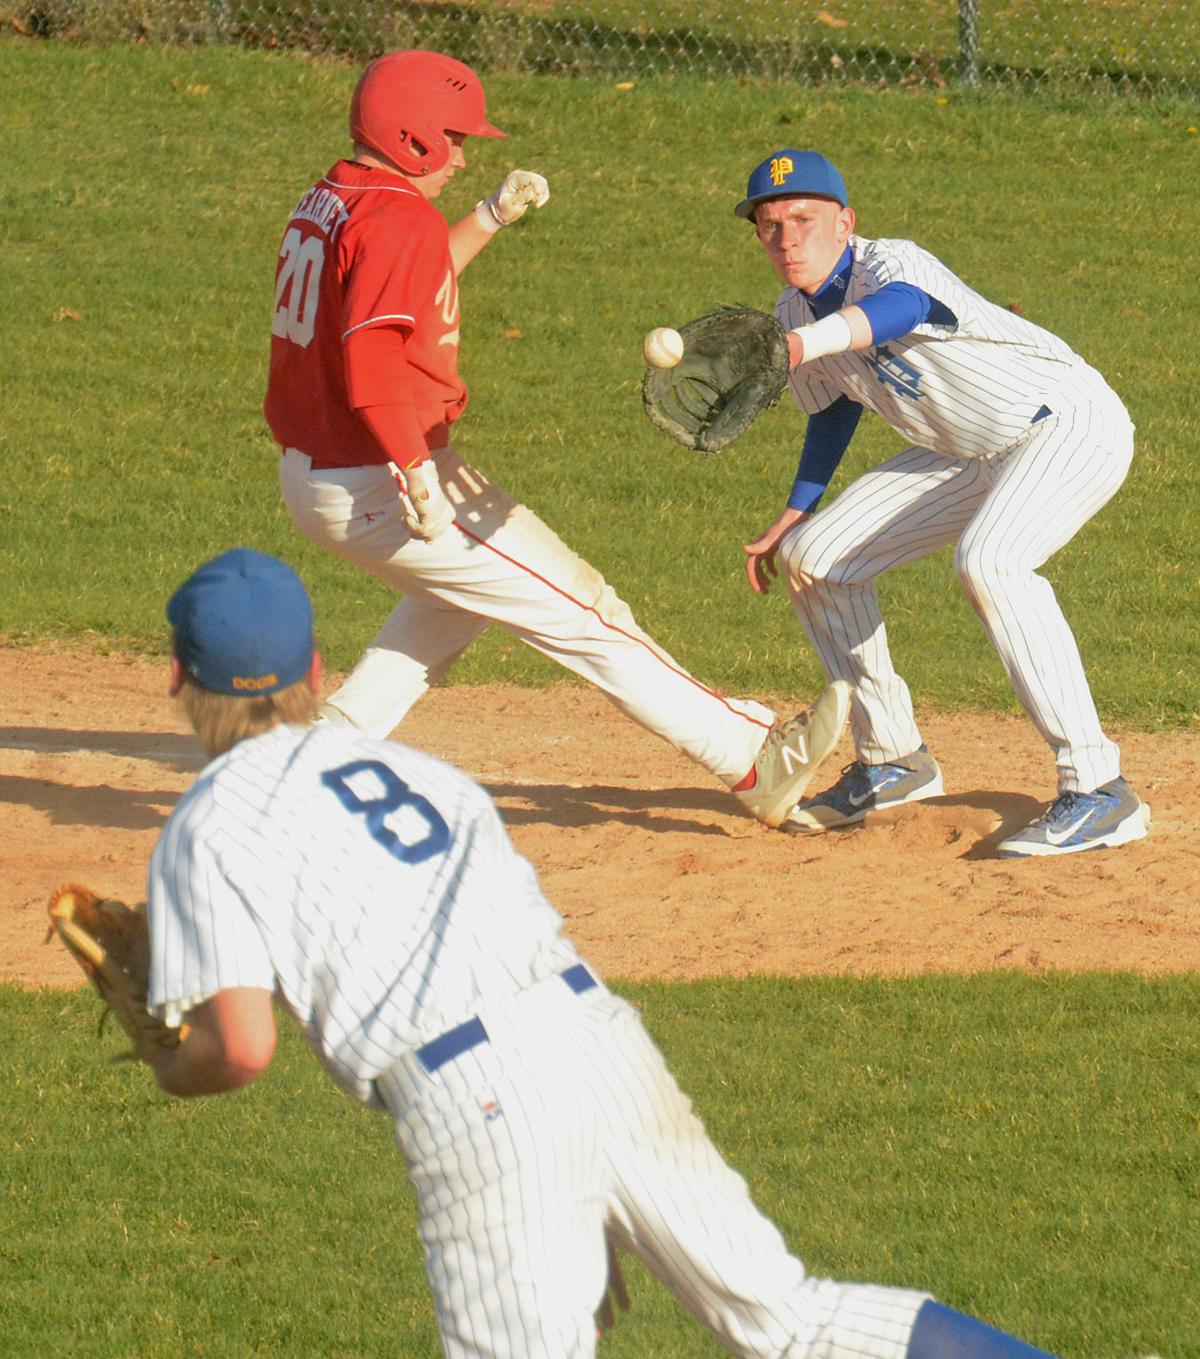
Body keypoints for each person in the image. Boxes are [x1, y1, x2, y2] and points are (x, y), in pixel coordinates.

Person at [147, 545, 1071, 1359]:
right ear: (315, 667)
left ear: (179, 681)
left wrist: (171, 1062)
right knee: (787, 1321)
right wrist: (580, 1189)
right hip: (596, 1042)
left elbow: (239, 1045)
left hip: (482, 1108)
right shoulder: (421, 774)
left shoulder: (210, 819)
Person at [263, 50, 847, 831]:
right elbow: (372, 364)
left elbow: (405, 283)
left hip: (325, 469)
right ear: (410, 136)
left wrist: (487, 218)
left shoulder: (336, 195)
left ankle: (328, 747)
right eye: (454, 138)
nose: (464, 154)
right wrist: (414, 469)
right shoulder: (396, 218)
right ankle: (750, 756)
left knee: (459, 598)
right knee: (581, 609)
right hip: (380, 472)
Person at [737, 149, 1149, 857]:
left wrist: (804, 342)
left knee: (991, 562)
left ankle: (1100, 788)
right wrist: (796, 510)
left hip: (1066, 422)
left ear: (845, 221)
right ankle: (894, 760)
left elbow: (903, 312)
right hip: (966, 454)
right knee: (815, 560)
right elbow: (832, 406)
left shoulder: (891, 264)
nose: (788, 239)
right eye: (770, 226)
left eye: (803, 219)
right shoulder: (792, 310)